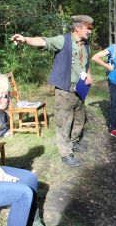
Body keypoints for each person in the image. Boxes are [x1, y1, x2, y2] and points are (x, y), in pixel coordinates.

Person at [11, 15, 94, 167]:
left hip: (81, 90)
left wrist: (89, 74)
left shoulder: (85, 44)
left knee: (79, 119)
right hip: (65, 91)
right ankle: (66, 154)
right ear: (78, 27)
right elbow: (43, 41)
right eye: (88, 28)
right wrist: (24, 39)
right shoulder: (63, 40)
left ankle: (75, 142)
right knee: (64, 123)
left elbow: (86, 62)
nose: (90, 31)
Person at [0, 74, 52, 226]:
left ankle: (31, 225)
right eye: (7, 95)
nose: (10, 98)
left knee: (30, 179)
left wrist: (1, 173)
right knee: (23, 193)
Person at [91, 35, 116, 138]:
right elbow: (95, 57)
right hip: (114, 81)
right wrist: (107, 66)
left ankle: (115, 122)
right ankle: (112, 128)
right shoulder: (112, 49)